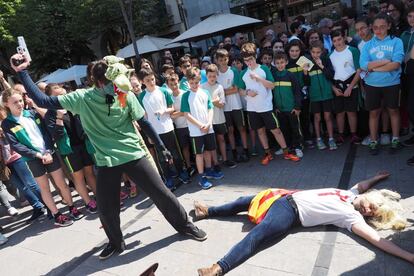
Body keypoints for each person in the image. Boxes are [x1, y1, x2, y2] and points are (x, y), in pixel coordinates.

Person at [10, 54, 207, 260]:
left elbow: (144, 122)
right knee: (106, 208)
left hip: (133, 154)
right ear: (100, 81)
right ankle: (115, 242)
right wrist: (22, 71)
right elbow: (43, 100)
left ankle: (185, 226)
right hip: (106, 161)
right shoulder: (82, 98)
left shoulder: (126, 94)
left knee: (161, 194)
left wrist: (160, 146)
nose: (118, 84)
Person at [196, 171, 414, 275]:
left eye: (371, 214)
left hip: (289, 213)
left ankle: (218, 268)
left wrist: (409, 257)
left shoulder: (352, 217)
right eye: (371, 206)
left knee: (256, 237)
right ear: (371, 197)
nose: (367, 211)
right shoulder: (349, 193)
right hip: (283, 196)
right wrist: (377, 178)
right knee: (244, 201)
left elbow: (377, 240)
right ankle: (208, 211)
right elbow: (362, 184)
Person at [1, 88, 82, 227]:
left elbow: (46, 133)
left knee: (62, 184)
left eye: (20, 100)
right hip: (33, 159)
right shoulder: (7, 123)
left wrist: (49, 151)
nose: (19, 104)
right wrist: (37, 155)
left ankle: (71, 207)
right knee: (44, 188)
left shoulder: (32, 113)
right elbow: (16, 145)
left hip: (49, 153)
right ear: (6, 104)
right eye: (15, 102)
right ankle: (57, 215)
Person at [238, 43, 300, 165]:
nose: (248, 63)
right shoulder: (243, 73)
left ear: (255, 56)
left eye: (250, 59)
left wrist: (259, 78)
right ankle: (268, 154)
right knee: (260, 131)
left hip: (266, 107)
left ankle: (286, 152)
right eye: (246, 60)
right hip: (252, 109)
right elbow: (239, 90)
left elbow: (272, 86)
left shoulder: (264, 69)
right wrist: (246, 92)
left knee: (276, 130)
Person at [43, 84, 98, 213]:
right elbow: (55, 136)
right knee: (78, 177)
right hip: (69, 151)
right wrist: (59, 118)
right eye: (56, 96)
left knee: (89, 173)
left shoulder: (72, 106)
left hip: (83, 144)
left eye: (62, 94)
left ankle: (100, 197)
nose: (61, 98)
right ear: (50, 98)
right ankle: (88, 202)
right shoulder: (50, 114)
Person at [137, 68, 190, 190]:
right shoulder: (141, 97)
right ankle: (168, 178)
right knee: (161, 157)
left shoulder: (164, 91)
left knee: (175, 152)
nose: (151, 82)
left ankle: (181, 172)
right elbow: (144, 117)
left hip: (168, 128)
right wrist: (149, 135)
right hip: (155, 132)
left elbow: (172, 108)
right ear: (142, 82)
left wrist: (164, 111)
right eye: (148, 80)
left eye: (152, 79)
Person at [360, 13, 404, 155]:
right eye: (376, 27)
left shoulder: (396, 42)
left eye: (383, 27)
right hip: (372, 84)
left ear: (389, 26)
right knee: (373, 113)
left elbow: (396, 64)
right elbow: (363, 65)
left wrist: (374, 67)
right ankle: (374, 141)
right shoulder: (367, 45)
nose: (379, 30)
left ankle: (395, 139)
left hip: (392, 83)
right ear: (372, 28)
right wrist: (386, 61)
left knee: (393, 110)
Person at [181, 67, 221, 190]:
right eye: (191, 83)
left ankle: (209, 170)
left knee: (209, 150)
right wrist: (200, 125)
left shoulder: (205, 93)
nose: (194, 85)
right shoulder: (186, 96)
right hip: (196, 131)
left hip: (208, 128)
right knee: (199, 154)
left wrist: (208, 123)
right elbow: (186, 114)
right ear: (188, 82)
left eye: (196, 82)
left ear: (199, 80)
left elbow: (210, 108)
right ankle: (201, 176)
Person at [215, 49, 249, 164]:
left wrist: (223, 91)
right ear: (217, 61)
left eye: (225, 59)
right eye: (221, 60)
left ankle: (245, 150)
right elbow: (217, 92)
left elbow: (236, 89)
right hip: (224, 107)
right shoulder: (216, 74)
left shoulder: (233, 71)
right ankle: (234, 152)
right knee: (230, 130)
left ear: (228, 59)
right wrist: (227, 90)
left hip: (236, 104)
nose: (223, 62)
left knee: (242, 128)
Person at [329, 29, 362, 145]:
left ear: (344, 38)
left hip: (351, 85)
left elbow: (359, 70)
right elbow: (328, 75)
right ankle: (341, 134)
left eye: (339, 39)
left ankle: (353, 134)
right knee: (340, 112)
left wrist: (351, 87)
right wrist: (334, 88)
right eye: (334, 41)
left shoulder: (352, 51)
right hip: (338, 87)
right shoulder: (330, 55)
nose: (338, 42)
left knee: (351, 112)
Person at [303, 41, 337, 150]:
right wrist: (305, 73)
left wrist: (322, 66)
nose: (315, 54)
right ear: (310, 52)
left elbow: (331, 75)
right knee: (317, 117)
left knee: (328, 117)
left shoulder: (326, 60)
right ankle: (318, 139)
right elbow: (306, 82)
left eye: (318, 52)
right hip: (314, 95)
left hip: (327, 94)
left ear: (322, 52)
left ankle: (331, 139)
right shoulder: (306, 61)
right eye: (313, 52)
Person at [201, 64, 234, 172]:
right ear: (206, 75)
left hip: (219, 118)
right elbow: (202, 105)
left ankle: (225, 159)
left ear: (217, 76)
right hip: (208, 120)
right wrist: (214, 101)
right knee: (212, 143)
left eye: (214, 76)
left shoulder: (219, 87)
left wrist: (212, 102)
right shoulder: (202, 87)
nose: (212, 78)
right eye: (210, 76)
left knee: (221, 139)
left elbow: (222, 104)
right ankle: (215, 163)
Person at [271, 52, 303, 158]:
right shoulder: (273, 76)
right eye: (277, 63)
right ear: (274, 64)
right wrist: (275, 107)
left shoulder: (291, 75)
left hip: (292, 108)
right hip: (280, 110)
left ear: (286, 62)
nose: (280, 65)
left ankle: (298, 147)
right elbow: (271, 94)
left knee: (295, 128)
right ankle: (286, 147)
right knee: (284, 129)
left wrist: (297, 107)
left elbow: (298, 92)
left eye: (282, 62)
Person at [286, 40, 313, 150]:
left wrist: (306, 72)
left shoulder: (304, 60)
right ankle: (296, 140)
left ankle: (307, 137)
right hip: (291, 94)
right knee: (293, 120)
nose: (294, 53)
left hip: (304, 93)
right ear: (288, 51)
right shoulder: (285, 62)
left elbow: (308, 81)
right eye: (292, 50)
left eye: (297, 50)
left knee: (305, 117)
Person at [167, 73, 194, 176]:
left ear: (178, 82)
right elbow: (171, 115)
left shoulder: (185, 94)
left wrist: (179, 113)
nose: (174, 86)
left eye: (175, 83)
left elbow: (189, 110)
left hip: (190, 124)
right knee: (185, 148)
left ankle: (199, 164)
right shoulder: (169, 98)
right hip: (179, 127)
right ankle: (188, 166)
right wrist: (183, 112)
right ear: (168, 85)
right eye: (171, 84)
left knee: (194, 147)